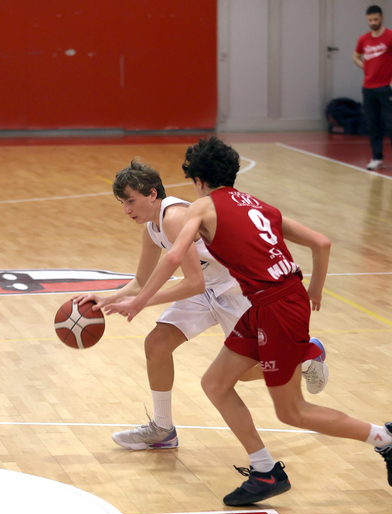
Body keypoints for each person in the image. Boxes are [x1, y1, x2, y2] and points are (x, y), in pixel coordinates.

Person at [111, 137, 392, 506]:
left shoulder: (201, 207)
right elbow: (321, 243)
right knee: (216, 383)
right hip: (271, 300)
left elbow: (174, 259)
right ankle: (265, 471)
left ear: (198, 180)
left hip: (272, 305)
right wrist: (314, 290)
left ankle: (384, 438)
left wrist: (139, 302)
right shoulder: (259, 205)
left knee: (292, 411)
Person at [74, 159, 328, 486]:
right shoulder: (153, 229)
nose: (126, 210)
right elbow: (140, 281)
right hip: (206, 290)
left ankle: (305, 357)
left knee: (244, 373)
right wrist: (107, 298)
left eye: (130, 201)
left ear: (152, 194)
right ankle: (162, 429)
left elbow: (192, 283)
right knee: (157, 344)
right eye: (122, 203)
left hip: (236, 291)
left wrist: (140, 303)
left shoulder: (175, 217)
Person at [353, 5, 392, 170]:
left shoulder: (390, 36)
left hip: (386, 88)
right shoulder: (363, 39)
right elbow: (356, 56)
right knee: (372, 124)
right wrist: (366, 67)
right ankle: (377, 158)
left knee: (391, 123)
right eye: (370, 20)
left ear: (381, 18)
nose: (373, 22)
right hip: (368, 88)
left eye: (376, 19)